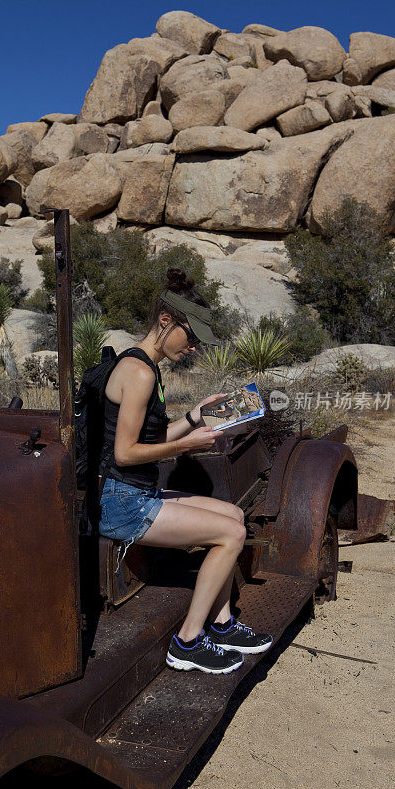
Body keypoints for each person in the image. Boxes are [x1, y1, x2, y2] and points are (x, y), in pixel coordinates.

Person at [98, 268, 273, 674]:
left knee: (232, 515)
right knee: (231, 533)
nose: (192, 348)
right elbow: (125, 454)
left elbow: (152, 437)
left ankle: (223, 624)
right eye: (189, 337)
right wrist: (185, 447)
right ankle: (188, 642)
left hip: (136, 493)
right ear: (165, 322)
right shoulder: (140, 373)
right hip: (123, 502)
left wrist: (196, 417)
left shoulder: (143, 366)